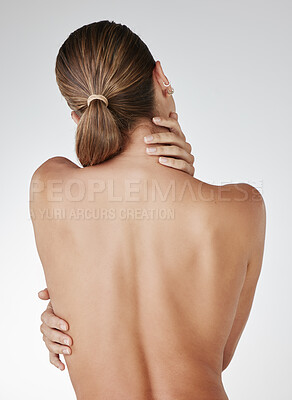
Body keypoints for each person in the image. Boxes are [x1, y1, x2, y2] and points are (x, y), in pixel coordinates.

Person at [30, 20, 266, 400]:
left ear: (78, 117)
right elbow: (215, 357)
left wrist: (65, 308)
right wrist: (185, 178)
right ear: (160, 76)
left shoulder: (48, 186)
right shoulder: (244, 208)